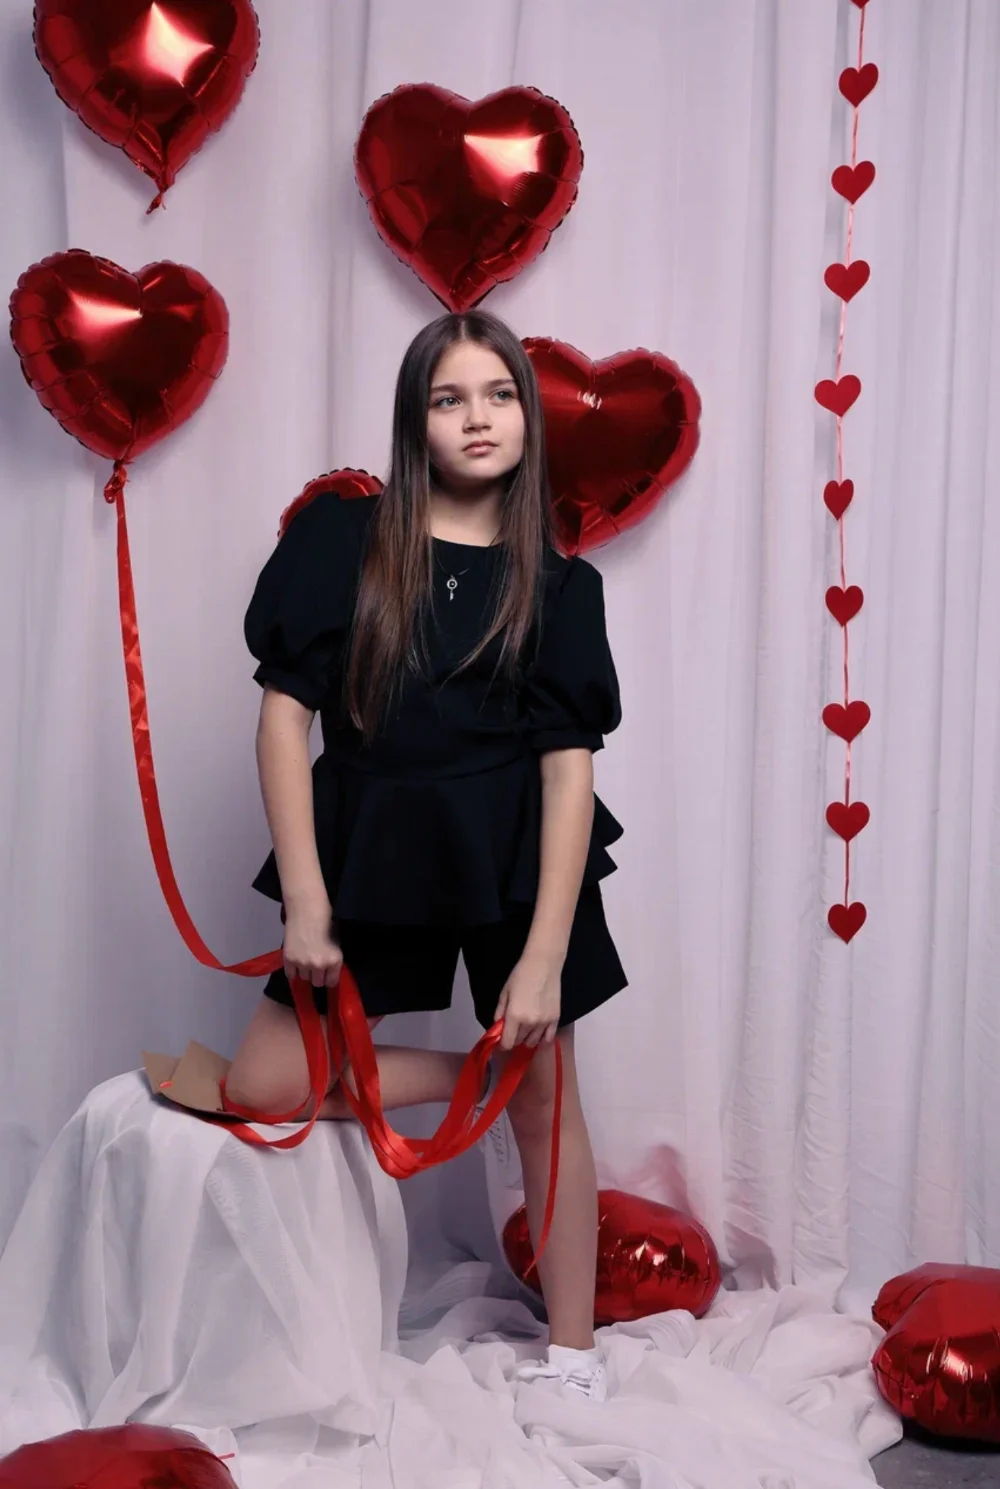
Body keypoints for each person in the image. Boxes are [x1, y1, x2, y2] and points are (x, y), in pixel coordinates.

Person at [225, 308, 628, 1402]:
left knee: (552, 1098)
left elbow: (567, 777)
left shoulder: (560, 587)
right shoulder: (341, 540)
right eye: (449, 398)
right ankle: (485, 1082)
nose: (477, 417)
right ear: (416, 421)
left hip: (511, 847)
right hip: (371, 834)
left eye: (498, 394)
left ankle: (575, 1358)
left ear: (527, 415)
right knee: (261, 1081)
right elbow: (281, 722)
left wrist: (543, 957)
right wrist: (306, 899)